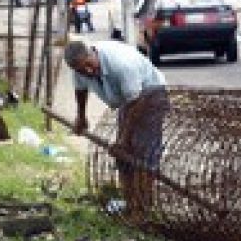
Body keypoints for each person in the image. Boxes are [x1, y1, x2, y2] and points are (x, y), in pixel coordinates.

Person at [65, 39, 168, 218]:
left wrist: (123, 139)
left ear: (92, 53)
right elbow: (80, 90)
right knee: (124, 155)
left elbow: (135, 103)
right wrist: (81, 116)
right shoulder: (79, 68)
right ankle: (131, 202)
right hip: (128, 102)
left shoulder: (121, 65)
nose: (87, 72)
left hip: (150, 94)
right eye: (82, 70)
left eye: (89, 65)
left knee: (144, 152)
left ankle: (144, 207)